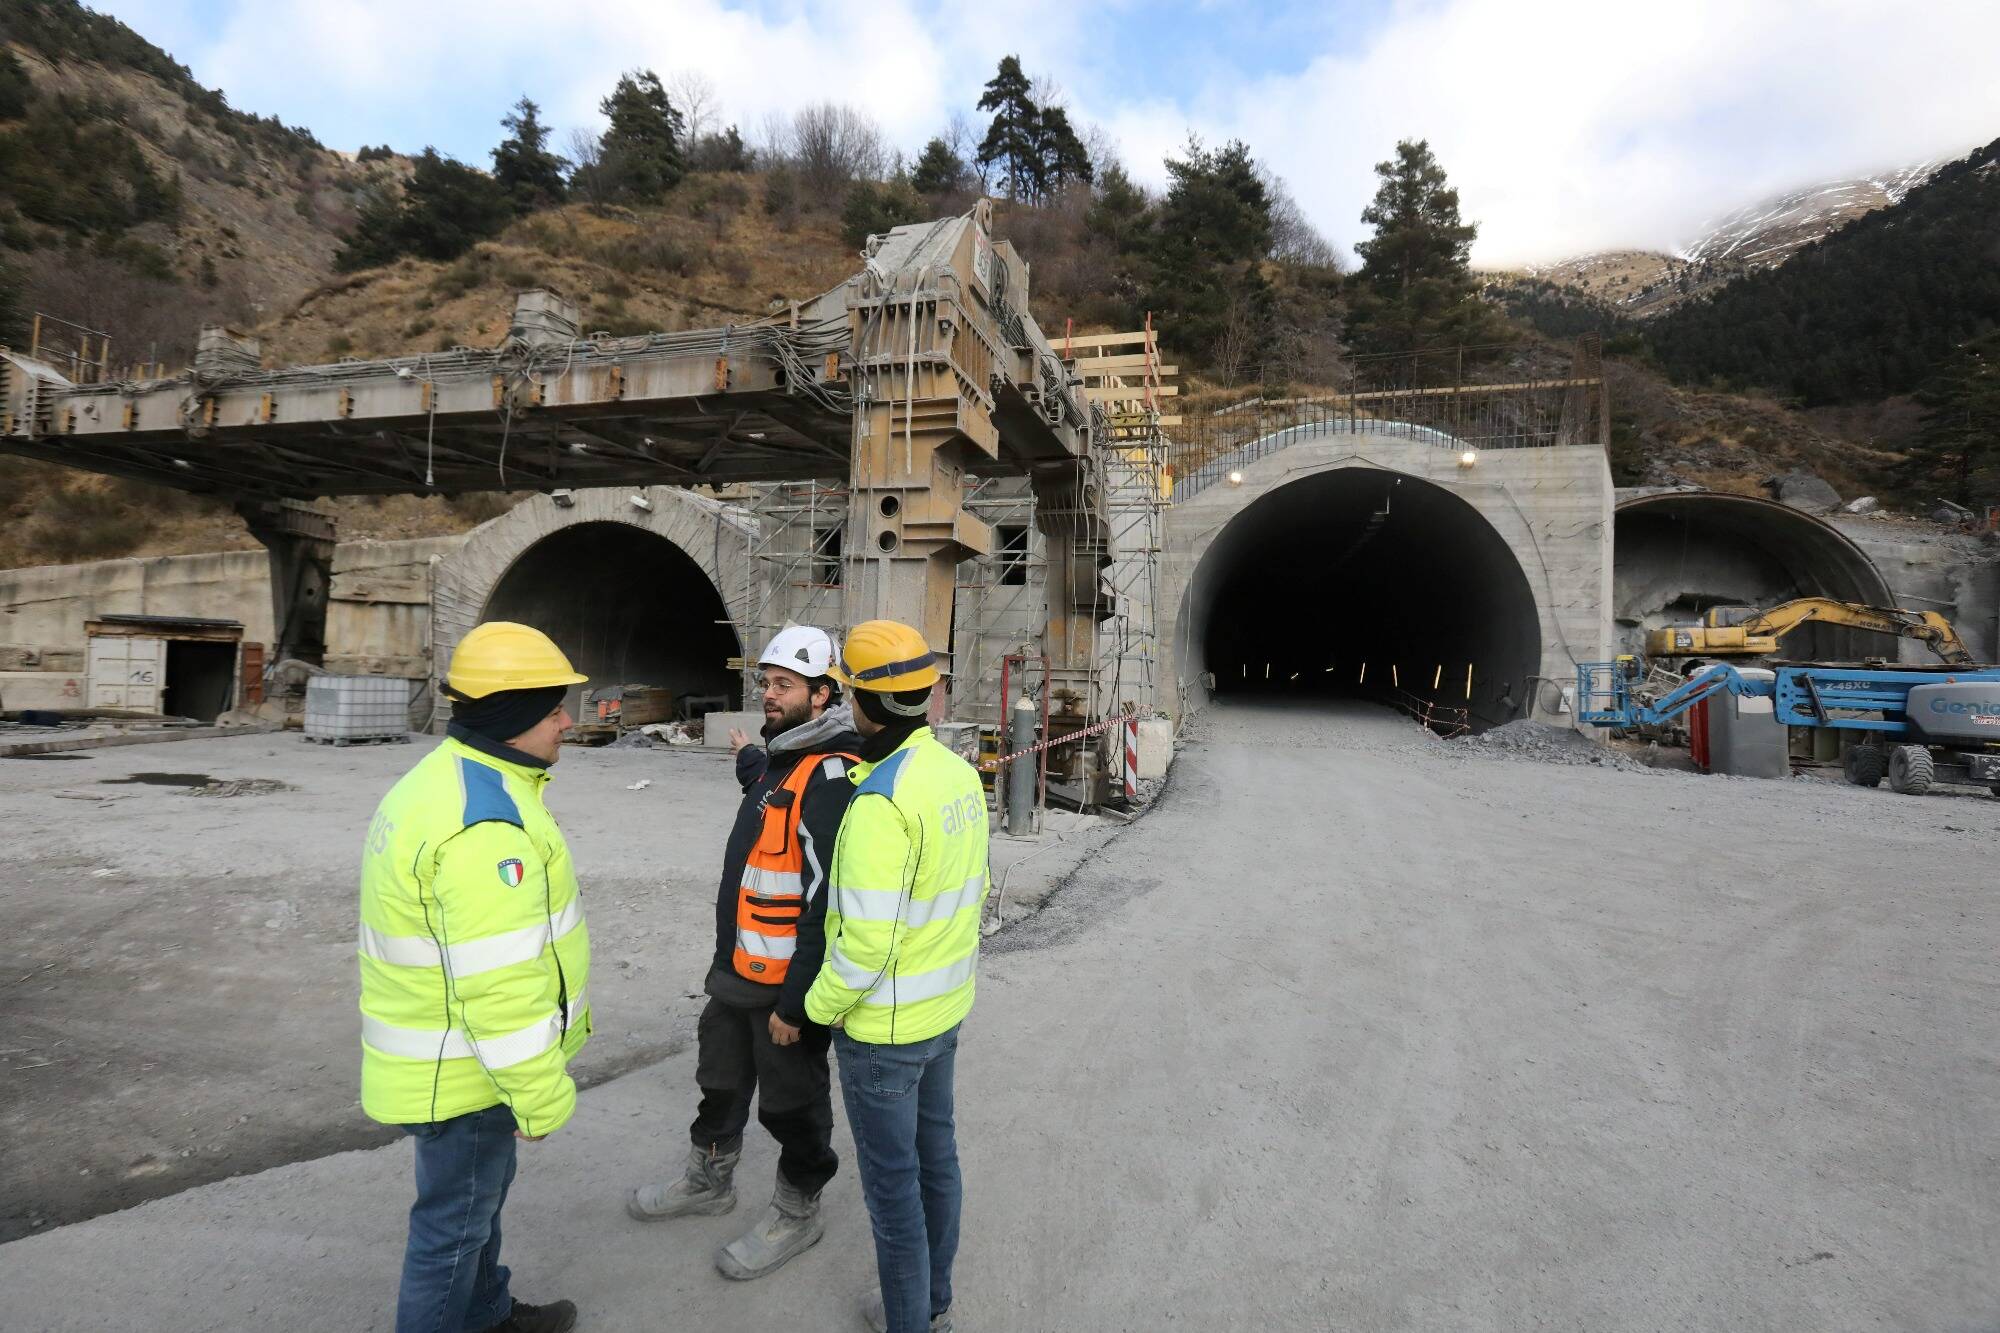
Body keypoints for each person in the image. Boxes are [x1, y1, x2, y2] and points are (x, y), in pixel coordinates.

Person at [357, 620, 593, 1333]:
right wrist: (539, 1096)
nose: (567, 722)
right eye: (553, 709)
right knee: (451, 1232)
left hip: (452, 1058)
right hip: (464, 1071)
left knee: (473, 1212)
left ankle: (488, 1315)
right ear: (513, 715)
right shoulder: (483, 826)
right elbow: (500, 987)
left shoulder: (451, 778)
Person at [626, 625, 861, 1283]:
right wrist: (748, 761)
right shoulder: (782, 758)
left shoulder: (832, 775)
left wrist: (798, 1002)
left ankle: (798, 1208)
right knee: (720, 1080)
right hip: (737, 972)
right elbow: (767, 788)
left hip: (785, 988)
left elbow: (826, 900)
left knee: (793, 1104)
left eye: (784, 684)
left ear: (822, 694)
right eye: (766, 682)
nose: (769, 694)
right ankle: (710, 1180)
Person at [804, 620, 990, 1333]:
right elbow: (972, 889)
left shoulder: (880, 803)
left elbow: (862, 950)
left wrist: (816, 1009)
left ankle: (910, 1320)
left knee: (893, 1194)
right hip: (943, 1012)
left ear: (866, 703)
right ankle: (933, 1300)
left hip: (884, 1034)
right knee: (937, 1160)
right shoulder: (956, 774)